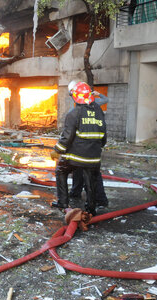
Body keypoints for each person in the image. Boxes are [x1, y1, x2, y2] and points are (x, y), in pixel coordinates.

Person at [50, 82, 107, 215]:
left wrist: (57, 150)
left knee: (61, 171)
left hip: (76, 157)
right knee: (91, 179)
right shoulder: (99, 111)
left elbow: (67, 137)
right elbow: (104, 136)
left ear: (75, 96)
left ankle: (63, 203)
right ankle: (91, 208)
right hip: (94, 157)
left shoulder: (74, 113)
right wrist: (95, 148)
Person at [69, 84, 109, 209]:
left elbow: (70, 132)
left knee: (89, 174)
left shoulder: (77, 110)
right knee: (84, 172)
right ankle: (79, 194)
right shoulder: (97, 108)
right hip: (93, 149)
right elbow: (103, 131)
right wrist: (100, 144)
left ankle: (97, 200)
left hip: (82, 149)